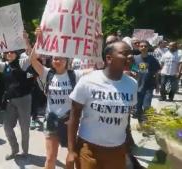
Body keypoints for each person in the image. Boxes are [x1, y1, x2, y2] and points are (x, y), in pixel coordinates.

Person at [66, 41, 138, 169]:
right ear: (109, 58)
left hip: (117, 150)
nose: (130, 57)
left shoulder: (132, 84)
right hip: (89, 149)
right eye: (125, 54)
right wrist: (71, 151)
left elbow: (125, 117)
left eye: (131, 53)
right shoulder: (88, 81)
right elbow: (74, 116)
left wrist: (127, 145)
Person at [30, 28, 91, 169]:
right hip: (51, 121)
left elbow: (97, 68)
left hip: (69, 123)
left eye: (60, 58)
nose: (57, 60)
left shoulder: (75, 74)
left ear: (66, 60)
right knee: (50, 158)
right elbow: (32, 59)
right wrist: (38, 40)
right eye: (55, 58)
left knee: (71, 157)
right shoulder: (47, 74)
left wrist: (97, 44)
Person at [133, 40, 161, 123]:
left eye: (145, 46)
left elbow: (156, 72)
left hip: (149, 86)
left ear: (148, 47)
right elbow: (133, 70)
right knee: (138, 107)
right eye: (141, 46)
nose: (143, 47)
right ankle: (140, 123)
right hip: (137, 86)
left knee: (146, 106)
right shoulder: (135, 58)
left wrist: (157, 85)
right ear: (139, 47)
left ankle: (145, 125)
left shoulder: (152, 59)